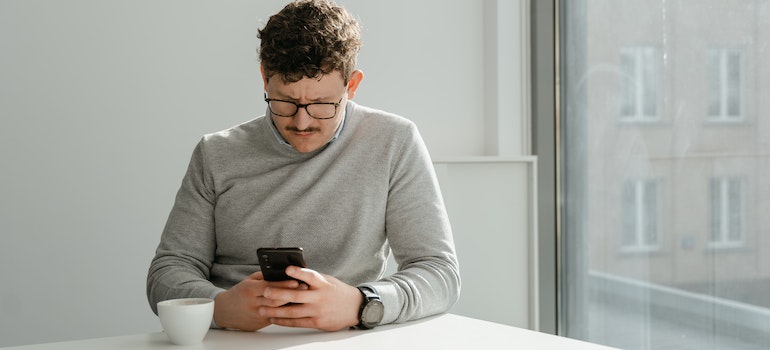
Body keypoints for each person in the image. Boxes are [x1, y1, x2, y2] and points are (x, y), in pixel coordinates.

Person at [146, 0, 460, 332]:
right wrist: (219, 307)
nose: (302, 122)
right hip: (234, 338)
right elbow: (168, 272)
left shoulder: (394, 142)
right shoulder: (216, 153)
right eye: (286, 102)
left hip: (343, 337)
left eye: (322, 104)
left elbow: (439, 273)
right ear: (265, 79)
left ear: (351, 86)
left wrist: (362, 303)